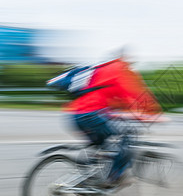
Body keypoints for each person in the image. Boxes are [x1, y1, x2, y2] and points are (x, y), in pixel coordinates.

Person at [47, 56, 162, 188]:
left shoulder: (99, 71)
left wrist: (121, 112)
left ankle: (87, 179)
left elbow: (113, 100)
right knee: (126, 138)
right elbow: (134, 95)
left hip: (74, 115)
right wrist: (153, 113)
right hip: (91, 115)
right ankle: (114, 177)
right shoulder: (120, 71)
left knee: (101, 146)